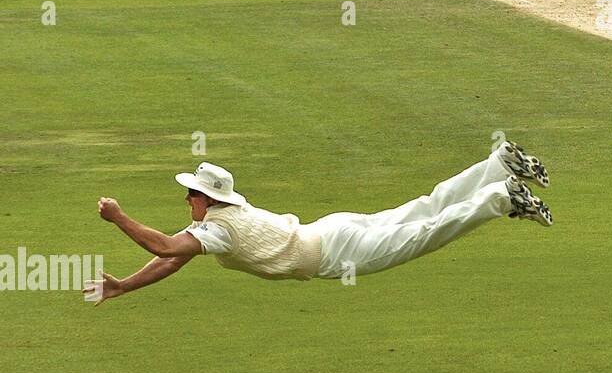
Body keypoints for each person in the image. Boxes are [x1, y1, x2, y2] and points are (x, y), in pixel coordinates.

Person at [85, 143, 553, 303]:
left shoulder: (219, 229)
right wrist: (125, 285)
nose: (185, 198)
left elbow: (166, 249)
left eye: (190, 193)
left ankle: (498, 196)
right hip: (330, 229)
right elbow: (174, 259)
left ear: (205, 199)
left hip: (333, 253)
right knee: (423, 209)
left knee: (423, 233)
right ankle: (496, 165)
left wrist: (118, 217)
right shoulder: (221, 222)